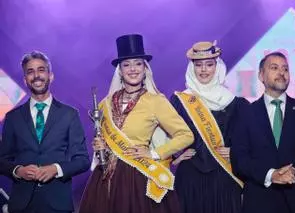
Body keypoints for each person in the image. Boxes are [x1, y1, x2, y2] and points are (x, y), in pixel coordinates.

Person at [79, 34, 194, 213]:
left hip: (137, 175)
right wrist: (98, 144)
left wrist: (154, 153)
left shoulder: (156, 101)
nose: (132, 69)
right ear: (120, 71)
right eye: (126, 64)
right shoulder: (105, 103)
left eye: (138, 63)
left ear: (145, 68)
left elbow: (186, 135)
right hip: (104, 177)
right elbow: (101, 136)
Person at [0, 51, 90, 213]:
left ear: (50, 76)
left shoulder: (69, 114)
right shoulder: (12, 117)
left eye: (41, 70)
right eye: (30, 71)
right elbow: (2, 160)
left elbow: (82, 160)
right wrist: (18, 170)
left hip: (58, 204)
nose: (36, 75)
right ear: (25, 79)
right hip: (21, 205)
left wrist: (56, 169)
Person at [231, 52, 295, 213]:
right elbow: (239, 160)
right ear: (261, 75)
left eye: (285, 69)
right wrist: (270, 175)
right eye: (274, 68)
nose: (281, 73)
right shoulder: (246, 114)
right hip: (259, 203)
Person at [170, 41, 247, 213]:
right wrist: (175, 157)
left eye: (209, 64)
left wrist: (235, 151)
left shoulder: (236, 103)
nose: (204, 70)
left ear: (217, 67)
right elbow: (163, 136)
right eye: (198, 65)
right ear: (192, 68)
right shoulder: (180, 101)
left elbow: (251, 139)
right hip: (191, 177)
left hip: (225, 176)